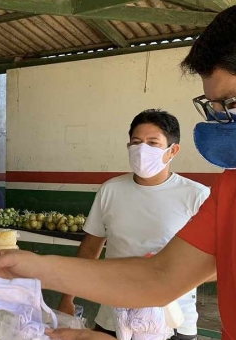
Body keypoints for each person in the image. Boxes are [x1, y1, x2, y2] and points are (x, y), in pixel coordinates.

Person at [0, 0, 236, 339]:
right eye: (212, 107)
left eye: (233, 103)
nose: (221, 120)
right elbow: (161, 276)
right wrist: (30, 266)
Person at [57, 110, 209, 340]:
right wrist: (67, 298)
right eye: (136, 142)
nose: (142, 150)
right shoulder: (111, 190)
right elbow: (89, 251)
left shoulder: (195, 196)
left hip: (174, 322)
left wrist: (168, 274)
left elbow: (218, 262)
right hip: (113, 318)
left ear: (173, 150)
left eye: (152, 143)